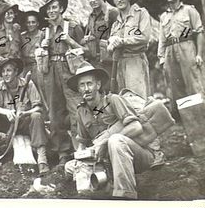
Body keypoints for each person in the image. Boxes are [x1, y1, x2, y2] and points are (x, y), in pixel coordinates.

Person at [64, 61, 174, 199]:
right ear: (78, 89)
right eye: (82, 85)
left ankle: (125, 194)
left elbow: (136, 127)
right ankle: (102, 189)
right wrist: (79, 158)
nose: (86, 89)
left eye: (89, 84)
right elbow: (82, 143)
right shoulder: (81, 111)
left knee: (115, 141)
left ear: (98, 85)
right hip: (107, 160)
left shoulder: (113, 100)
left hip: (138, 155)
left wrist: (105, 142)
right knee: (69, 166)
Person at [0, 58, 49, 185]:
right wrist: (6, 112)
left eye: (9, 70)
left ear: (16, 72)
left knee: (37, 116)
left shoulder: (28, 84)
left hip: (24, 122)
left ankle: (42, 160)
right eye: (3, 71)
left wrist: (25, 113)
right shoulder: (0, 86)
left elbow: (38, 106)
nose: (6, 74)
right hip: (7, 124)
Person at [39, 0, 85, 165]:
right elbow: (40, 55)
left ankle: (81, 149)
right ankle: (63, 153)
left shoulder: (72, 27)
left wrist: (71, 41)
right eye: (49, 8)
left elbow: (85, 50)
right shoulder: (45, 32)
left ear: (61, 8)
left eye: (54, 7)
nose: (51, 11)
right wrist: (42, 47)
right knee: (55, 113)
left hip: (69, 71)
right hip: (51, 73)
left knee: (76, 110)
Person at [157, 0, 205, 115]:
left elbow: (199, 31)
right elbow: (162, 39)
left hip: (186, 46)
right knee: (175, 86)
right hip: (170, 51)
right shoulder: (164, 16)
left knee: (193, 83)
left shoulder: (189, 10)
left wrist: (199, 54)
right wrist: (161, 58)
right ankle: (184, 118)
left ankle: (199, 117)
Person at [103, 0, 151, 99]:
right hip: (119, 64)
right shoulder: (115, 24)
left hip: (135, 60)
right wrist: (110, 45)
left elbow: (144, 38)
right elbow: (111, 48)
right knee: (124, 100)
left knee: (138, 98)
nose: (119, 0)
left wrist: (122, 41)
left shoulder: (141, 14)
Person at [81, 0, 118, 89]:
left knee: (112, 92)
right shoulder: (91, 16)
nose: (93, 0)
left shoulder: (112, 13)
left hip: (110, 62)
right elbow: (86, 37)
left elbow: (119, 36)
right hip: (95, 62)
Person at [21, 11, 46, 99]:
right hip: (26, 68)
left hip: (38, 67)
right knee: (25, 91)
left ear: (37, 24)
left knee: (41, 92)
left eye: (33, 22)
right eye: (28, 22)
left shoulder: (43, 34)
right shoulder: (22, 36)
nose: (30, 24)